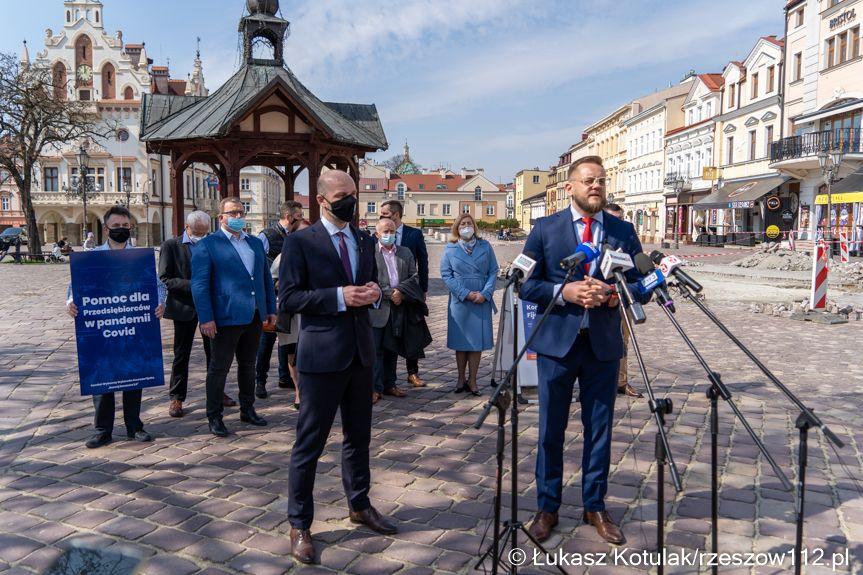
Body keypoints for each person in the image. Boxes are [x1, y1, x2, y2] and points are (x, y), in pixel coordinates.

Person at [520, 156, 648, 546]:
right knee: (550, 430)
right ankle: (547, 507)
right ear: (570, 187)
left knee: (600, 430)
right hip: (557, 345)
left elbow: (641, 284)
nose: (596, 186)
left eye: (601, 181)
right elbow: (526, 284)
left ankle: (595, 505)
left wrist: (613, 295)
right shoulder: (545, 229)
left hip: (603, 345)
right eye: (589, 180)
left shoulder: (623, 231)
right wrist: (566, 292)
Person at [280, 170, 395, 565]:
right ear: (321, 200)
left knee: (358, 438)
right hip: (322, 356)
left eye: (354, 194)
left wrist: (374, 292)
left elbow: (371, 283)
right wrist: (339, 297)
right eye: (343, 195)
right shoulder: (300, 242)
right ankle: (299, 523)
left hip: (361, 353)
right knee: (309, 444)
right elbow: (290, 298)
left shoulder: (363, 239)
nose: (351, 201)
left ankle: (359, 504)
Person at [66, 205, 165, 448]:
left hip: (133, 327)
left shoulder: (140, 258)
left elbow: (159, 286)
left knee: (134, 375)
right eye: (116, 226)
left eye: (125, 225)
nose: (121, 229)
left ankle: (134, 427)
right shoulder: (92, 257)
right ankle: (102, 430)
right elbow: (73, 288)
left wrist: (161, 303)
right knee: (102, 378)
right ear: (106, 228)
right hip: (102, 328)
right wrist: (71, 303)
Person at [191, 197, 276, 438]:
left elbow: (265, 278)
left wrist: (270, 308)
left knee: (248, 365)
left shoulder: (254, 243)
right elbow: (199, 285)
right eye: (232, 213)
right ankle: (214, 416)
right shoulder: (208, 245)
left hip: (254, 314)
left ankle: (247, 409)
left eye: (241, 212)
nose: (238, 216)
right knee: (219, 368)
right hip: (225, 316)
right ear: (221, 217)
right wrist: (206, 317)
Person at [159, 211, 236, 418]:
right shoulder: (171, 246)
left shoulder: (213, 243)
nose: (201, 236)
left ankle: (217, 392)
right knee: (181, 354)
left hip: (211, 307)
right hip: (184, 307)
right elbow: (165, 278)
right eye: (197, 232)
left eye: (205, 232)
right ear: (187, 227)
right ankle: (177, 397)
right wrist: (195, 286)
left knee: (215, 353)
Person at [439, 213, 498, 396]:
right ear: (457, 228)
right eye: (463, 224)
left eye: (469, 223)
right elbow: (446, 274)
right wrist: (465, 294)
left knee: (476, 342)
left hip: (481, 299)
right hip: (460, 299)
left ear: (474, 226)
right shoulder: (450, 248)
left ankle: (473, 380)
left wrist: (485, 293)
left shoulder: (485, 246)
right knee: (461, 341)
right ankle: (460, 378)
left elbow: (493, 271)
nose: (466, 226)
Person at [369, 218, 427, 403]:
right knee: (375, 349)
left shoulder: (405, 252)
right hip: (378, 309)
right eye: (385, 232)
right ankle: (375, 388)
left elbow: (414, 276)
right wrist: (389, 293)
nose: (389, 235)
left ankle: (390, 384)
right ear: (377, 234)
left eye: (392, 231)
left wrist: (400, 292)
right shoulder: (370, 253)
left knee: (392, 348)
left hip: (399, 307)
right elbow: (370, 279)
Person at [255, 200, 305, 399]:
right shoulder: (267, 236)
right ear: (289, 216)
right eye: (299, 216)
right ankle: (260, 381)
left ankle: (285, 377)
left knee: (289, 340)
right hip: (272, 297)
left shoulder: (297, 236)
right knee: (266, 341)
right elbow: (258, 264)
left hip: (291, 300)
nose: (301, 219)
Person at [379, 200, 429, 388]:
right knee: (388, 335)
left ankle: (412, 372)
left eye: (385, 213)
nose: (381, 216)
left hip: (408, 290)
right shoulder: (379, 233)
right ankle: (386, 378)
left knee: (412, 332)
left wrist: (422, 289)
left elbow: (422, 261)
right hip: (387, 293)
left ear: (396, 214)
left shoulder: (413, 234)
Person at [270, 219, 311, 410]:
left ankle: (312, 389)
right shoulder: (284, 256)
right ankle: (299, 391)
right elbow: (272, 280)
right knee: (293, 354)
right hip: (292, 313)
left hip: (313, 310)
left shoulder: (321, 255)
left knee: (312, 352)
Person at [604, 203, 643, 399]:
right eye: (613, 218)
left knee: (623, 341)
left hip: (623, 295)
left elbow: (638, 267)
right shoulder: (600, 235)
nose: (617, 222)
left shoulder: (627, 234)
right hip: (599, 299)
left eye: (620, 218)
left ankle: (621, 381)